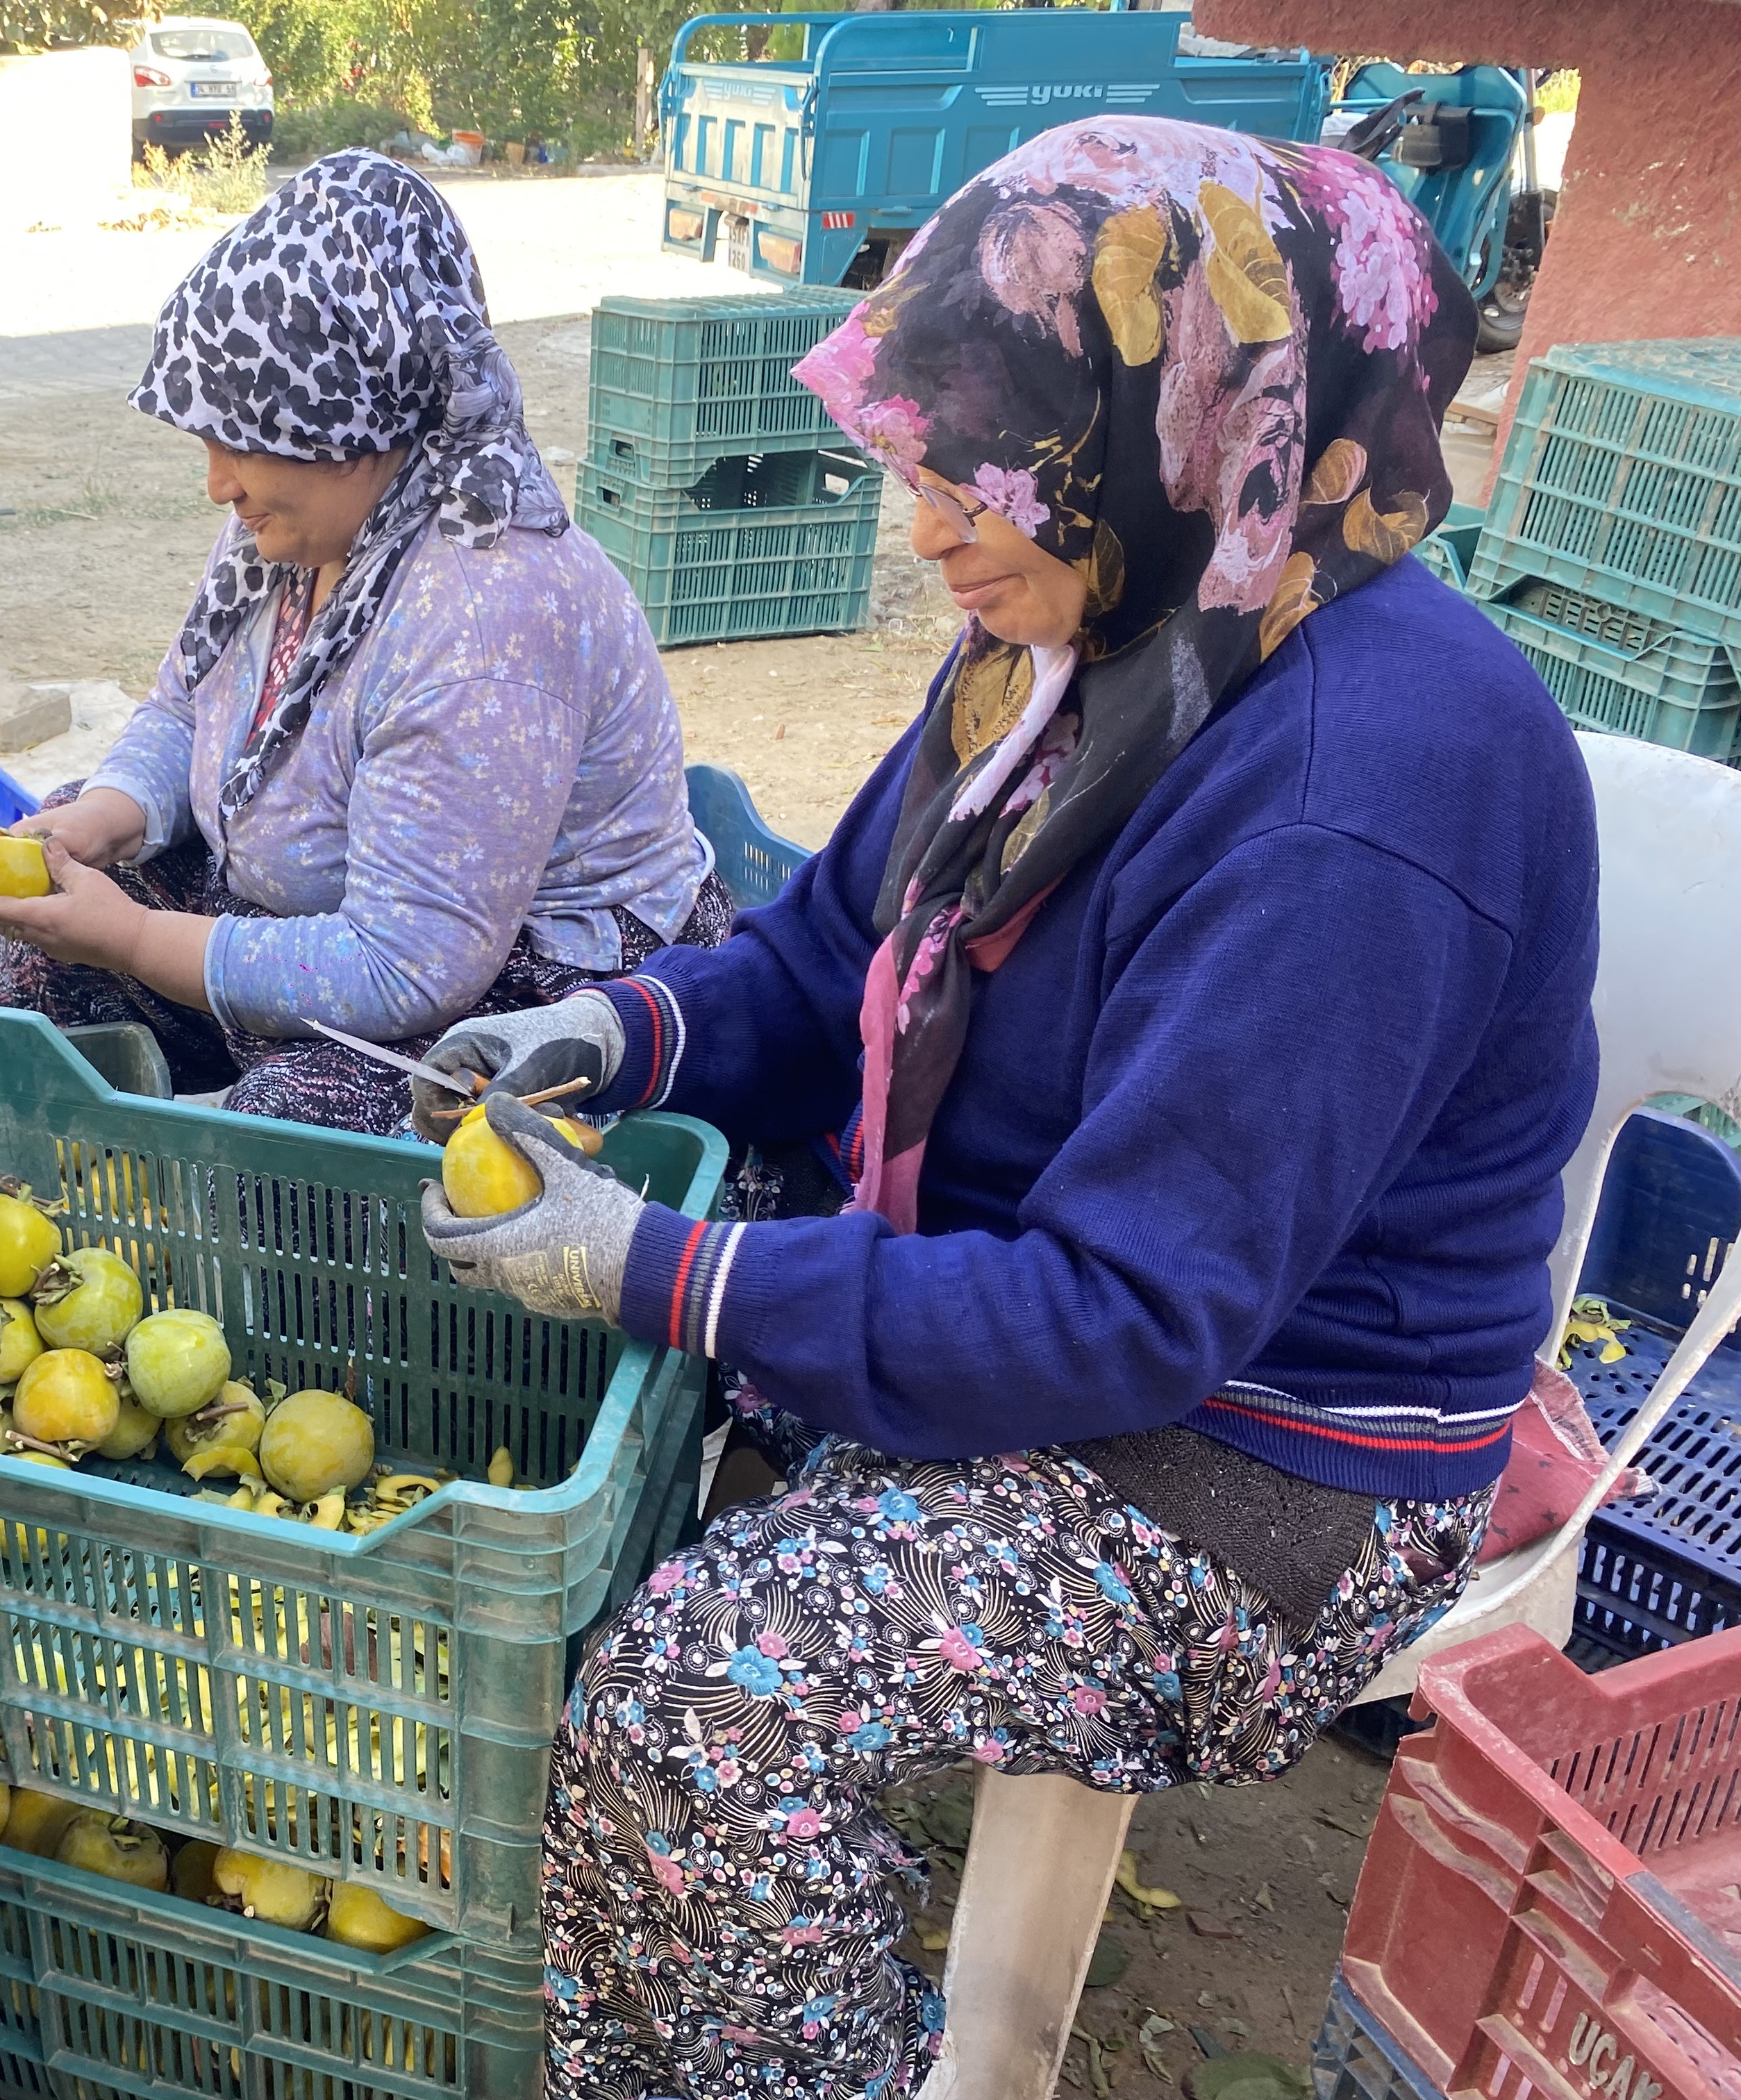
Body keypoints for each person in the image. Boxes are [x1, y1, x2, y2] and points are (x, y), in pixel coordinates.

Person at [408, 118, 1597, 2099]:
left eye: (981, 483)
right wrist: (612, 1033)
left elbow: (1131, 1315)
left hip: (1269, 1464)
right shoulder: (1102, 629)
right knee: (623, 1514)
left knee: (711, 1701)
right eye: (924, 474)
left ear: (1188, 417)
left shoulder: (1362, 790)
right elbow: (821, 970)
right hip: (1053, 1294)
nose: (933, 538)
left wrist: (668, 1272)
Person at [0, 149, 728, 1133]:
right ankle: (56, 1158)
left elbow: (409, 963)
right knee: (62, 876)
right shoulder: (292, 532)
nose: (217, 483)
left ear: (355, 419)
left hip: (522, 988)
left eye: (243, 440)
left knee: (290, 1139)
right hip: (326, 925)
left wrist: (143, 940)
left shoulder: (484, 617)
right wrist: (112, 815)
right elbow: (185, 706)